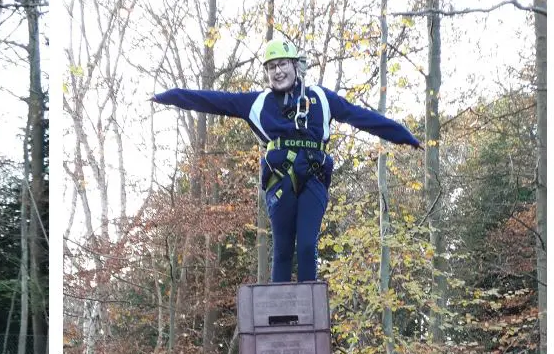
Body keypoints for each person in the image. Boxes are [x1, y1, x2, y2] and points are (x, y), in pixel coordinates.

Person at [152, 38, 421, 283]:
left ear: (295, 66)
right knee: (282, 248)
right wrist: (170, 96)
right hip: (279, 180)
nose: (277, 72)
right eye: (271, 68)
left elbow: (362, 117)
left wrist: (404, 136)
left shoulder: (321, 98)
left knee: (306, 246)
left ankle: (307, 310)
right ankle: (278, 316)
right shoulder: (258, 103)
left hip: (313, 178)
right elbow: (212, 100)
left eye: (282, 64)